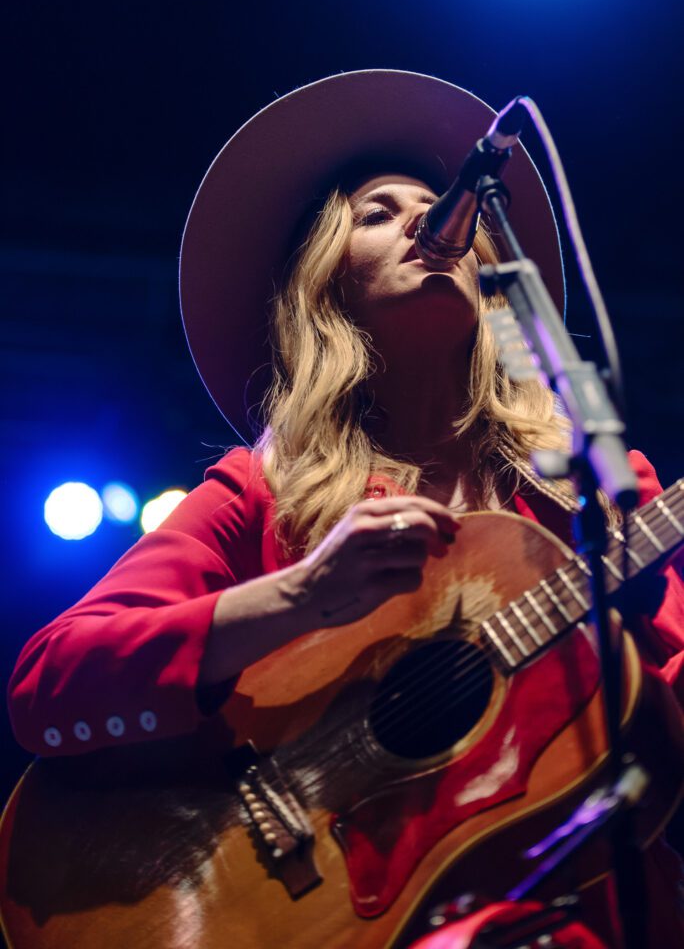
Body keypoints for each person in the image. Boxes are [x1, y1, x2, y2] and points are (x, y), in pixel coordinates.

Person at [6, 70, 684, 947]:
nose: (426, 221)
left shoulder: (598, 490)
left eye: (442, 208)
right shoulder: (261, 494)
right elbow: (48, 685)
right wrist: (301, 596)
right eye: (377, 212)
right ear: (324, 290)